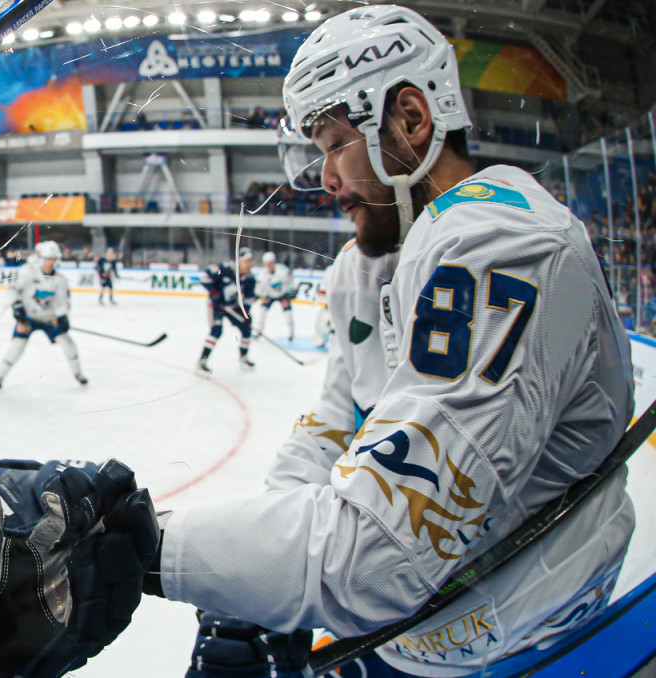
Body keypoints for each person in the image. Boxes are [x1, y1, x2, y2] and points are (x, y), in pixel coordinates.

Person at [144, 6, 635, 677]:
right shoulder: (368, 265)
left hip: (529, 646)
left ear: (410, 119)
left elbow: (382, 553)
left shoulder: (504, 247)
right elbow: (334, 424)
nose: (326, 180)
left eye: (334, 143)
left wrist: (144, 546)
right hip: (411, 636)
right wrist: (257, 585)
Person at [0, 241, 87, 391]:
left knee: (68, 343)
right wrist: (17, 305)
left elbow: (63, 302)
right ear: (42, 258)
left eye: (53, 259)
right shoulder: (29, 274)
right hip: (28, 318)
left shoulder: (60, 280)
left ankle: (78, 374)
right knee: (17, 346)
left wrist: (62, 317)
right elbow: (13, 289)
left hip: (50, 319)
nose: (50, 262)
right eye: (48, 258)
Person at [196, 248, 257, 375]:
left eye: (250, 262)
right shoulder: (225, 269)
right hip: (216, 307)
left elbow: (249, 299)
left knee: (247, 329)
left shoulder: (250, 279)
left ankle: (243, 358)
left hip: (233, 307)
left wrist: (246, 312)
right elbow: (204, 276)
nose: (248, 264)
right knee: (216, 331)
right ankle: (202, 362)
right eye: (245, 261)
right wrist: (213, 292)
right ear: (238, 260)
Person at [255, 251, 296, 341]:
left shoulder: (283, 270)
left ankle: (291, 332)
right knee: (261, 311)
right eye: (267, 263)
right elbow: (259, 288)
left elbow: (290, 281)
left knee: (288, 313)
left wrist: (290, 292)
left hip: (282, 294)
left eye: (270, 263)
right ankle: (259, 330)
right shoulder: (263, 275)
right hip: (270, 295)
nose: (269, 265)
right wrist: (262, 295)